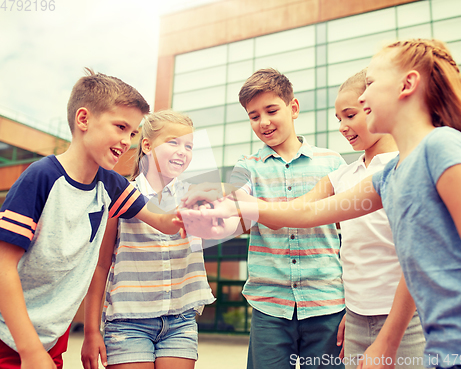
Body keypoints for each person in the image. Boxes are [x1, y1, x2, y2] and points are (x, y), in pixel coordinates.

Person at [181, 39, 461, 369]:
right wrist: (226, 194)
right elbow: (302, 212)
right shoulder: (387, 175)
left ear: (407, 85)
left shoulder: (442, 147)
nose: (362, 96)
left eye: (371, 83)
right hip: (439, 349)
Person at [0, 69, 182, 369]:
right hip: (11, 335)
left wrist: (201, 209)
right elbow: (3, 267)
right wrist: (30, 350)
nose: (127, 141)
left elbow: (163, 221)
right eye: (120, 127)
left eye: (133, 133)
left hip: (52, 337)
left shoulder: (110, 184)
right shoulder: (40, 178)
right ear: (83, 119)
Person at [206, 68, 347, 369]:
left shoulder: (332, 162)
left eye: (271, 110)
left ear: (293, 108)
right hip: (269, 305)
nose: (264, 122)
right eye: (254, 116)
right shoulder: (247, 166)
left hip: (327, 304)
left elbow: (348, 237)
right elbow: (235, 213)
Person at [80, 110, 215, 369]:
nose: (182, 151)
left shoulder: (196, 197)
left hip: (180, 322)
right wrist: (90, 331)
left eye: (189, 146)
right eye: (173, 142)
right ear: (147, 144)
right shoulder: (120, 196)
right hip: (128, 324)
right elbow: (100, 266)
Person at [330, 69, 425, 369]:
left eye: (350, 115)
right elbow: (299, 210)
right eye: (339, 120)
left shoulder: (409, 165)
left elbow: (417, 259)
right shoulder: (342, 176)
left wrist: (386, 337)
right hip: (357, 320)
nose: (343, 127)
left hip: (410, 320)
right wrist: (355, 311)